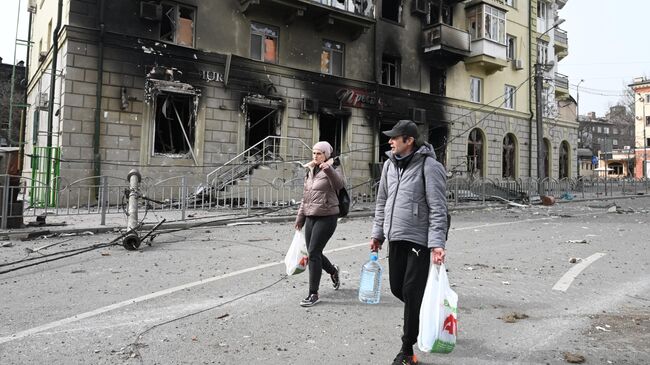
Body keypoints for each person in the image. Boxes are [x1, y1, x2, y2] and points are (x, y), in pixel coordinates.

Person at [370, 120, 448, 365]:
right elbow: (382, 202)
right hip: (396, 236)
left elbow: (438, 208)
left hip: (419, 239)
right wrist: (377, 234)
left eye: (395, 137)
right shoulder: (389, 166)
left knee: (412, 292)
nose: (390, 141)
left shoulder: (429, 166)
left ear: (409, 140)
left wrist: (437, 244)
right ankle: (429, 312)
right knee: (397, 288)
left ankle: (407, 351)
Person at [294, 141, 345, 307]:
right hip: (310, 216)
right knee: (312, 252)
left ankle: (313, 293)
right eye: (314, 153)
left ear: (326, 155)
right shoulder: (310, 170)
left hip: (327, 216)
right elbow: (306, 197)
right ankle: (333, 271)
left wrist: (328, 170)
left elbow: (339, 185)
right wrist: (300, 217)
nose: (315, 156)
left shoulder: (333, 168)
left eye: (319, 153)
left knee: (314, 251)